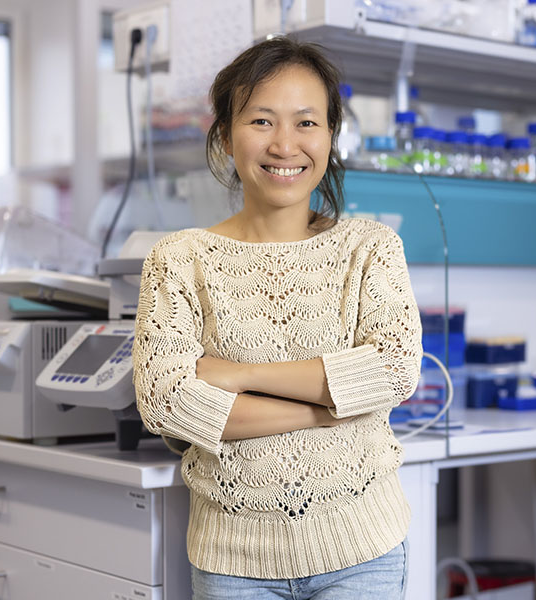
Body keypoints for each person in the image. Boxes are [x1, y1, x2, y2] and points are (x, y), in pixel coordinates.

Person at [132, 36, 423, 599]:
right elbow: (165, 403)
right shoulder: (178, 260)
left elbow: (392, 371)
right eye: (262, 120)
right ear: (224, 135)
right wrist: (336, 406)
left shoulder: (372, 247)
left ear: (331, 136)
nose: (285, 144)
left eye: (306, 123)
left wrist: (236, 376)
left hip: (362, 549)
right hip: (230, 558)